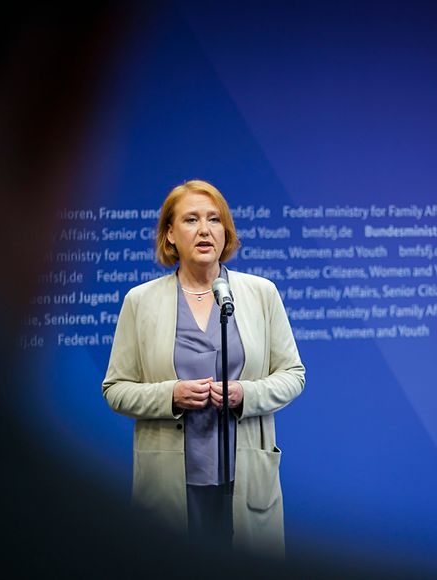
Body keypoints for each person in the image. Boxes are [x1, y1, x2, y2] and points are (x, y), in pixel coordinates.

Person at [103, 179, 305, 558]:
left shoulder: (261, 293)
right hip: (171, 482)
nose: (205, 230)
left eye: (215, 220)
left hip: (245, 477)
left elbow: (293, 375)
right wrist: (170, 395)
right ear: (170, 234)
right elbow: (116, 388)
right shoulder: (141, 301)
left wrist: (247, 394)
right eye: (191, 220)